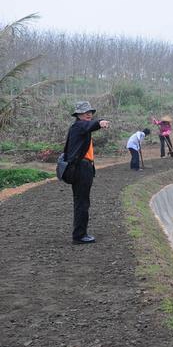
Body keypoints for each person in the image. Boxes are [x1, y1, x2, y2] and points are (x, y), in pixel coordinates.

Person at [64, 101, 110, 244]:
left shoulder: (81, 128)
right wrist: (100, 122)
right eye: (85, 112)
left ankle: (80, 233)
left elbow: (88, 127)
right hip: (81, 169)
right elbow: (89, 125)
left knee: (81, 201)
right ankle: (79, 236)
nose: (89, 114)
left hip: (84, 167)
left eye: (90, 112)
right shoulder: (79, 126)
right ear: (78, 115)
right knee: (82, 202)